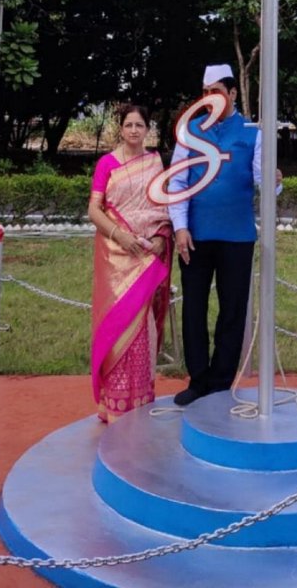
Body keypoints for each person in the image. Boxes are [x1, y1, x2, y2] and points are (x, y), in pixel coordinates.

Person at [167, 63, 282, 407]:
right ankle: (198, 380)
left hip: (237, 236)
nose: (209, 99)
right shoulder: (190, 130)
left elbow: (264, 182)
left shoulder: (252, 132)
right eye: (205, 93)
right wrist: (180, 227)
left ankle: (220, 383)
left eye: (216, 92)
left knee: (232, 311)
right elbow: (176, 182)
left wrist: (276, 181)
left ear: (231, 93)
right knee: (194, 308)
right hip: (196, 235)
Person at [88, 103, 173, 423]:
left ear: (147, 129)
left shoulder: (154, 163)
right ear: (120, 129)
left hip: (145, 256)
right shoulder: (106, 163)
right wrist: (120, 236)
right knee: (116, 325)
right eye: (129, 125)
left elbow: (162, 209)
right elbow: (94, 210)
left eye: (140, 125)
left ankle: (139, 401)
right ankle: (114, 405)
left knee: (143, 329)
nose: (134, 130)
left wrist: (161, 240)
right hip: (114, 254)